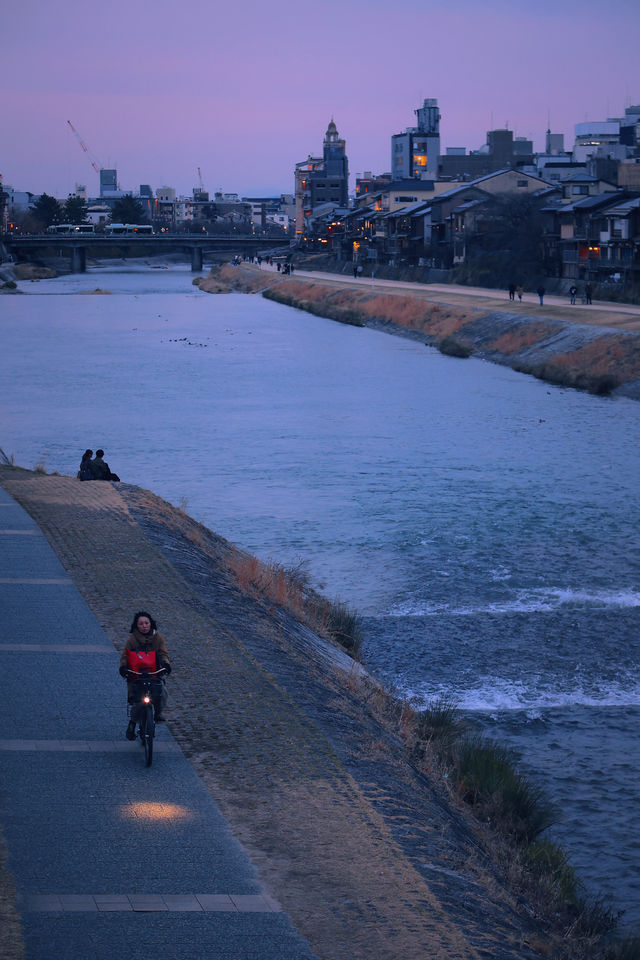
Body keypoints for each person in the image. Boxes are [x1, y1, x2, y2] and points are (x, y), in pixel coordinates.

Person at [119, 611, 171, 739]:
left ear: (151, 624)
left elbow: (163, 653)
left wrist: (165, 664)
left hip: (154, 673)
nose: (144, 626)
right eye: (141, 624)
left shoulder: (158, 638)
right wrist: (124, 668)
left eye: (146, 623)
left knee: (162, 693)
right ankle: (132, 723)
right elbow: (125, 656)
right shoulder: (132, 640)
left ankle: (157, 713)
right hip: (137, 675)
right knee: (137, 701)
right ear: (137, 626)